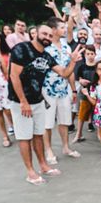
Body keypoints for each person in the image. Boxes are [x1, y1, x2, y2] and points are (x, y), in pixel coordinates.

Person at [7, 25, 82, 185]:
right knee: (24, 137)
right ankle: (30, 171)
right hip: (21, 102)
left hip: (38, 100)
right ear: (35, 33)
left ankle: (43, 166)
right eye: (44, 33)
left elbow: (63, 73)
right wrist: (23, 101)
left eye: (49, 34)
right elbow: (14, 76)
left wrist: (73, 61)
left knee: (38, 135)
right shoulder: (22, 49)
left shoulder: (46, 56)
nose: (47, 36)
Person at [42, 17, 80, 165]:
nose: (65, 30)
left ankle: (66, 147)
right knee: (47, 122)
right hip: (47, 90)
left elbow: (70, 70)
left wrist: (73, 90)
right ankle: (49, 150)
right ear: (53, 30)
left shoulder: (66, 46)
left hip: (64, 90)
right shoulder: (45, 47)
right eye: (62, 27)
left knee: (65, 120)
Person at [71, 45, 97, 143]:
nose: (90, 56)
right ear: (85, 55)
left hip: (95, 92)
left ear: (95, 54)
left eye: (92, 54)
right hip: (85, 91)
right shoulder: (82, 66)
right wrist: (81, 81)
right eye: (88, 54)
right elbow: (79, 78)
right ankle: (79, 134)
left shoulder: (97, 65)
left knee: (98, 112)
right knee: (82, 113)